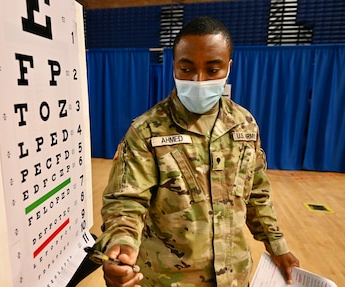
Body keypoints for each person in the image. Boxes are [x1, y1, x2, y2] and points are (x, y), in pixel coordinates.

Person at [92, 16, 299, 287]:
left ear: (228, 67)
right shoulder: (147, 131)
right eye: (187, 69)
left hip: (235, 276)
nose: (199, 80)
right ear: (174, 67)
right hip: (169, 280)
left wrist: (277, 244)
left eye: (212, 70)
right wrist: (122, 244)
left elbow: (256, 194)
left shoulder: (245, 124)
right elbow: (126, 202)